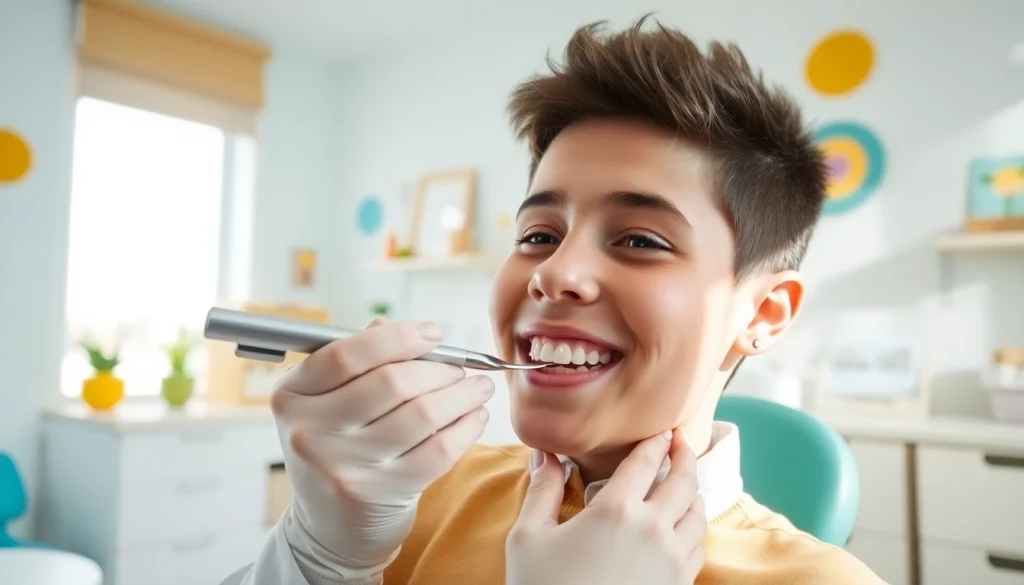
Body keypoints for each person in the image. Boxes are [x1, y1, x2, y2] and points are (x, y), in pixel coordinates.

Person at [223, 15, 887, 585]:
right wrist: (314, 556)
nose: (553, 272)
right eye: (538, 234)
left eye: (640, 239)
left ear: (763, 313)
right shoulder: (409, 497)